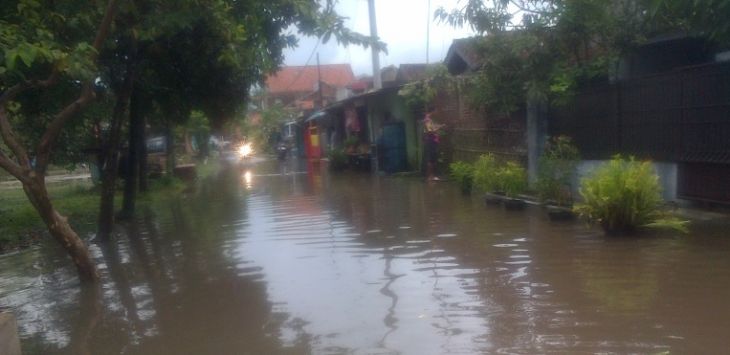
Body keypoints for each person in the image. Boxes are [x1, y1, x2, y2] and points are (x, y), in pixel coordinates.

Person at [423, 107, 444, 181]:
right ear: (433, 111)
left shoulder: (429, 120)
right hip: (431, 141)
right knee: (431, 159)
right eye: (436, 111)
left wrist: (439, 126)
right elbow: (430, 131)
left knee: (433, 159)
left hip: (432, 141)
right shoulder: (428, 120)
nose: (437, 113)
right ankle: (430, 176)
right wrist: (439, 128)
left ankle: (431, 176)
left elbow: (432, 128)